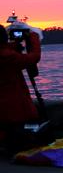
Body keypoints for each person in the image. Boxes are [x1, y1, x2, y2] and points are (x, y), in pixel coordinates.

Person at [0, 25, 42, 155]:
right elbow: (33, 57)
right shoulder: (7, 56)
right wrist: (34, 37)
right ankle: (14, 149)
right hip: (10, 105)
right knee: (15, 129)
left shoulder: (6, 53)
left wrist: (13, 47)